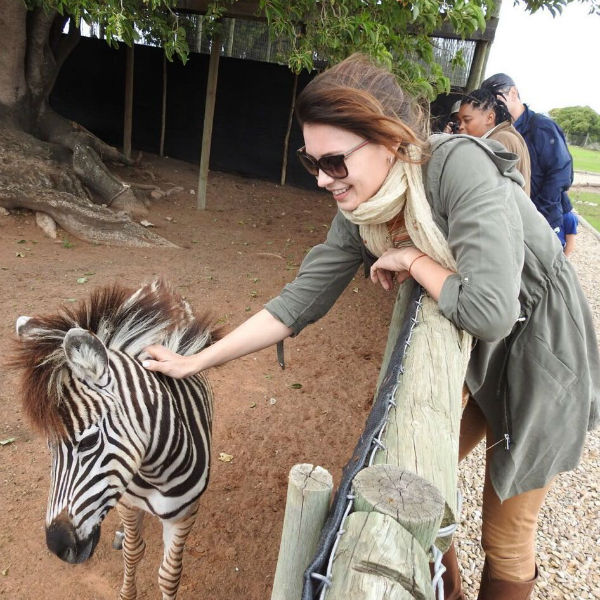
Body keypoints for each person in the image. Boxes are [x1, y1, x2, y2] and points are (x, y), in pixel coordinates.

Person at [142, 54, 600, 599]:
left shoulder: (458, 167)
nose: (321, 179)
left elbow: (491, 310)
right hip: (479, 354)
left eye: (334, 162)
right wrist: (197, 361)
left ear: (389, 140)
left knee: (505, 533)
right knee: (419, 481)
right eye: (311, 162)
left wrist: (413, 262)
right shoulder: (362, 209)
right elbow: (299, 302)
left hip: (540, 352)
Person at [481, 73, 573, 243]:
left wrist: (538, 215)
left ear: (513, 93)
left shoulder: (541, 127)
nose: (494, 107)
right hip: (513, 220)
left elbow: (561, 174)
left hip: (541, 220)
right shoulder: (498, 132)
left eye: (497, 100)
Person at [458, 87, 531, 195]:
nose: (460, 127)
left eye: (467, 120)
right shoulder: (505, 135)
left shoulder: (501, 140)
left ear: (490, 118)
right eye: (459, 121)